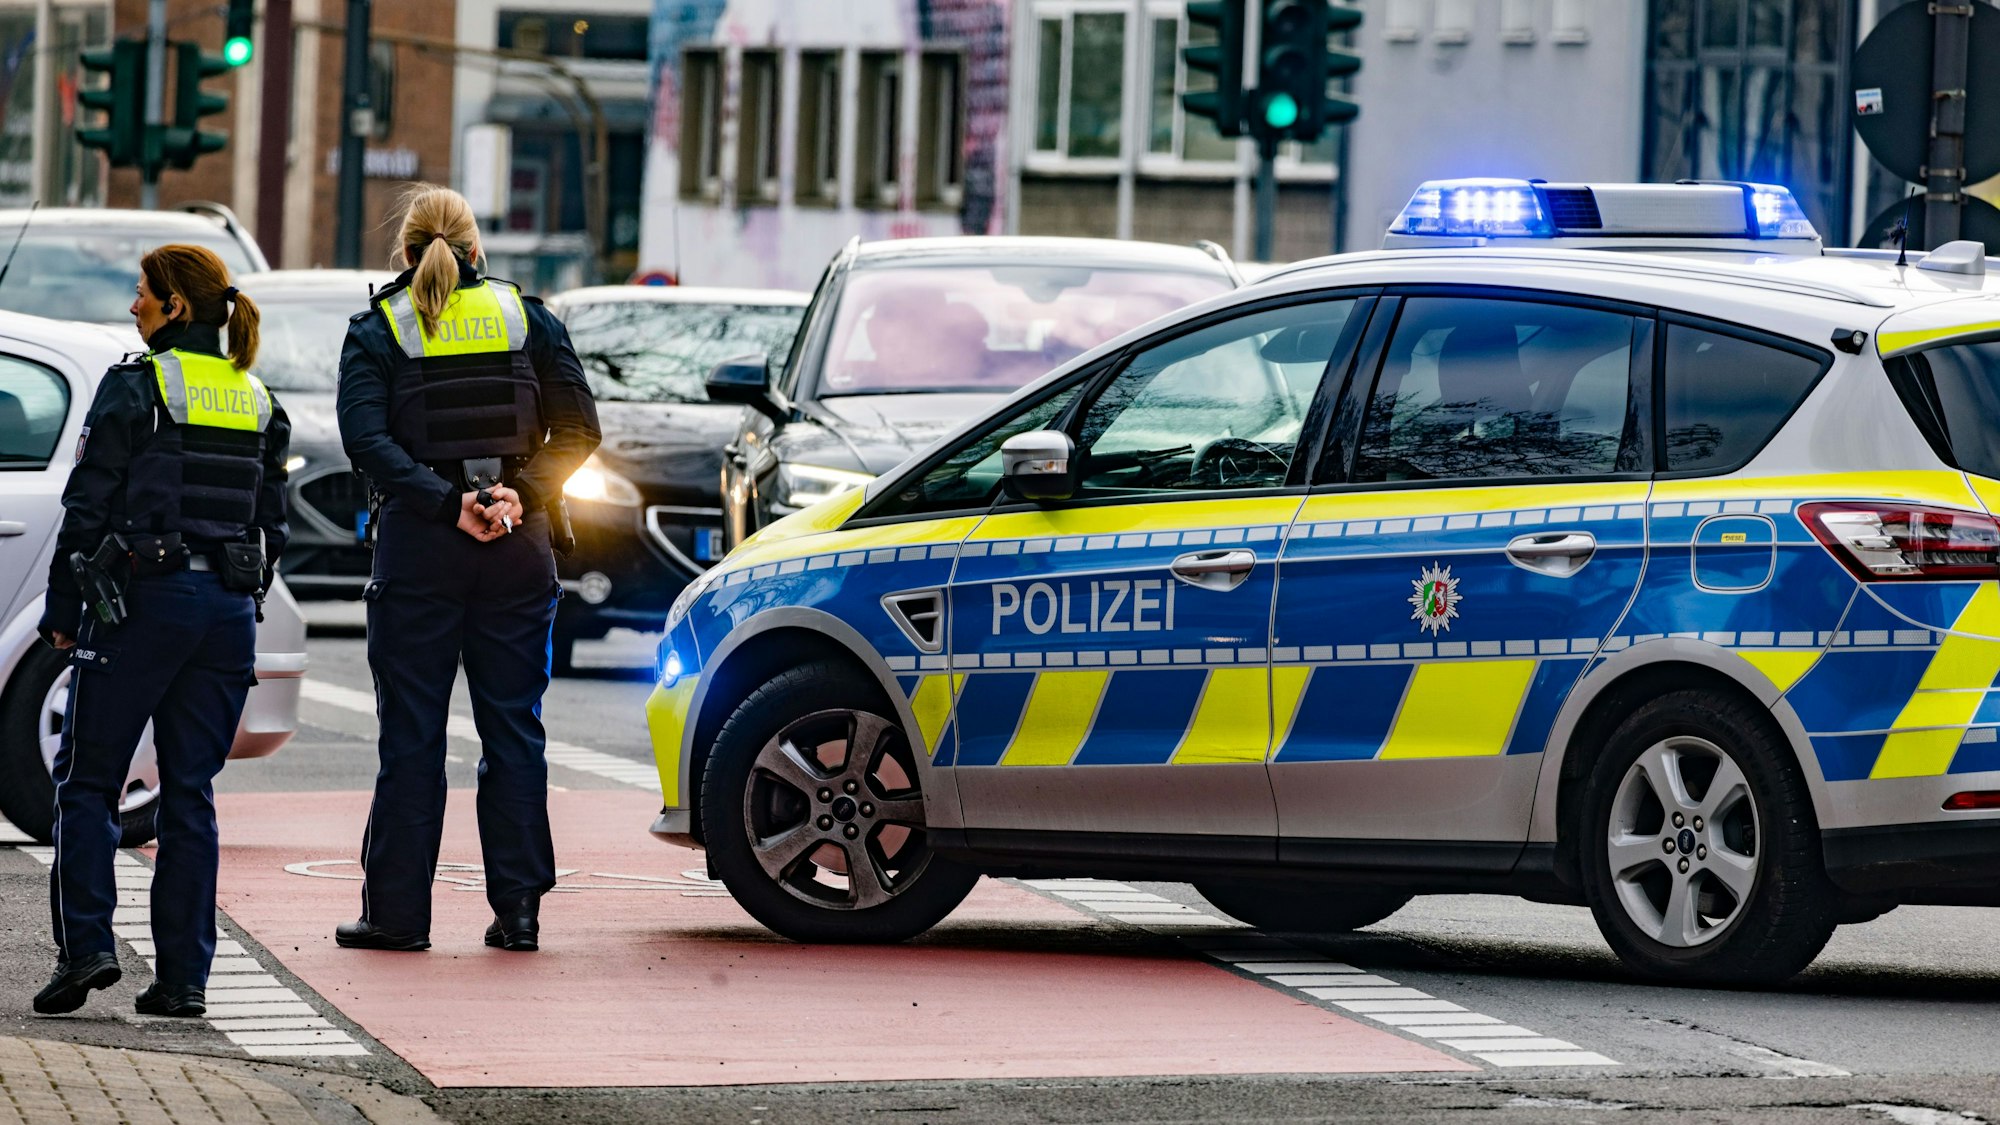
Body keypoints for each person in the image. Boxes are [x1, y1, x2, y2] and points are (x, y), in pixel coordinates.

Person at [334, 184, 599, 954]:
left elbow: (365, 439)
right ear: (478, 249)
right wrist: (518, 493)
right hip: (517, 546)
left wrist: (445, 502)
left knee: (411, 736)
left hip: (421, 549)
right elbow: (580, 428)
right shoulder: (528, 318)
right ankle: (518, 913)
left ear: (406, 252)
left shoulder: (381, 327)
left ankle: (398, 916)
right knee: (513, 730)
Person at [34, 245, 289, 1017]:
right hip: (225, 617)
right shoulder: (255, 396)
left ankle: (87, 949)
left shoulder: (137, 387)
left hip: (144, 603)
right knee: (190, 793)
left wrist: (61, 612)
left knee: (88, 780)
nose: (134, 306)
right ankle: (182, 981)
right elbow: (272, 526)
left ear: (177, 305)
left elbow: (87, 508)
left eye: (143, 293)